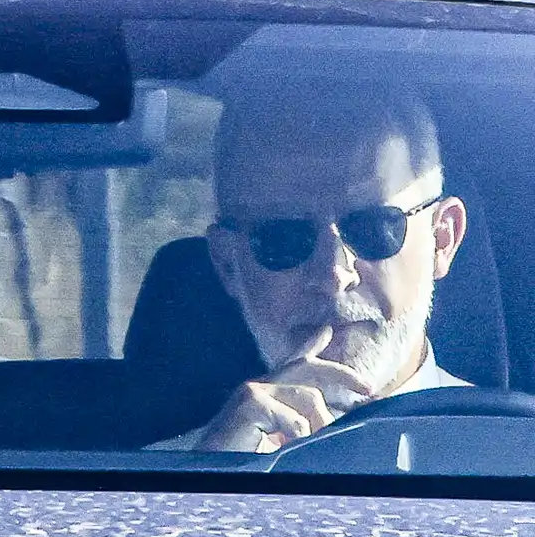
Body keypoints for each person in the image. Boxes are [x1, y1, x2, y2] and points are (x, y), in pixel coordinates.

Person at [151, 85, 470, 453]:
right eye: (281, 238)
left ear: (442, 239)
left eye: (373, 228)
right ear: (228, 264)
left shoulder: (518, 459)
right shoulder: (151, 489)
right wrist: (213, 481)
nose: (334, 274)